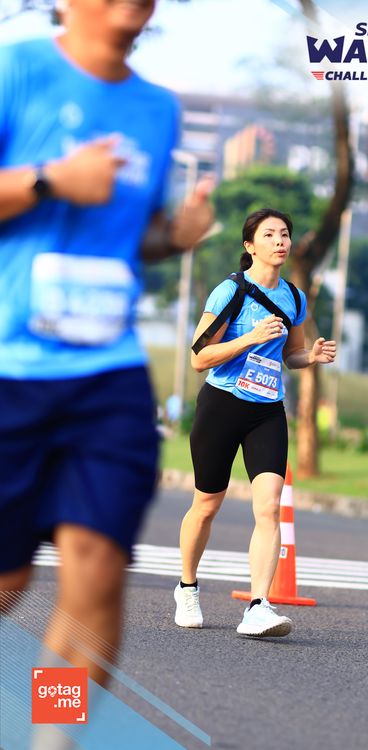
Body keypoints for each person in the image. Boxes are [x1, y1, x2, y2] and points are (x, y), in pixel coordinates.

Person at [0, 0, 213, 696]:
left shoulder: (157, 109)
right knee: (9, 579)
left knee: (96, 568)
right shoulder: (15, 68)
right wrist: (47, 181)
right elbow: (56, 188)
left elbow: (131, 235)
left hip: (107, 372)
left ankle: (51, 736)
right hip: (9, 370)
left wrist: (172, 237)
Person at [174, 208, 336, 637]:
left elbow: (290, 354)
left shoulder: (294, 297)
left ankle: (258, 606)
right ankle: (187, 588)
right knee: (206, 505)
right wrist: (249, 337)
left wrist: (310, 356)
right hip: (222, 405)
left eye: (285, 234)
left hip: (267, 409)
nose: (280, 241)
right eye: (270, 235)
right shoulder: (229, 292)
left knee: (268, 507)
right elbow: (198, 358)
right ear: (250, 246)